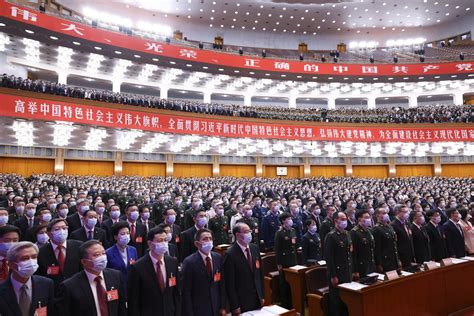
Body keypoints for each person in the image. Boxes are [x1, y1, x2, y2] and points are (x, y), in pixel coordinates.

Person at [55, 240, 127, 316]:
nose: (102, 257)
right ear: (84, 262)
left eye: (103, 253)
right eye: (96, 255)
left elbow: (121, 308)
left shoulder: (116, 276)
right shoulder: (69, 286)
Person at [127, 226, 180, 316]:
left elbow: (176, 293)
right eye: (160, 241)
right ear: (150, 244)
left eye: (165, 240)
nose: (164, 243)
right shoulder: (137, 267)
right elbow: (134, 301)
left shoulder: (173, 262)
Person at [0, 241, 55, 316]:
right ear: (11, 264)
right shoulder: (2, 289)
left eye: (34, 257)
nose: (31, 262)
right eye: (25, 258)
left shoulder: (46, 284)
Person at [181, 228, 226, 316]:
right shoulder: (189, 262)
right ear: (197, 244)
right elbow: (186, 291)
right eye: (205, 239)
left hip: (216, 307)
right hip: (198, 309)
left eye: (210, 238)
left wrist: (223, 306)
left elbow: (222, 285)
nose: (209, 241)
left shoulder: (218, 257)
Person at [223, 222, 264, 315]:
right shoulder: (230, 254)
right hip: (241, 300)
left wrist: (262, 296)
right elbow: (229, 283)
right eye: (246, 231)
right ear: (237, 235)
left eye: (249, 230)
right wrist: (235, 306)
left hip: (256, 297)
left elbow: (260, 274)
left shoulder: (254, 248)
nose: (249, 233)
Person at [37, 219, 82, 289]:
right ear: (49, 234)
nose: (61, 231)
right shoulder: (40, 252)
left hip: (76, 289)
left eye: (64, 228)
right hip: (54, 292)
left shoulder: (78, 246)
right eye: (57, 229)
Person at [324, 211, 352, 316]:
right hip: (337, 272)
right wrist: (333, 275)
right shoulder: (331, 236)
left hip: (347, 270)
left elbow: (349, 253)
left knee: (346, 299)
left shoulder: (347, 234)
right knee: (336, 300)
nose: (345, 221)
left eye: (345, 219)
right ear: (336, 221)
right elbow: (329, 258)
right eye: (343, 219)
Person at [274, 213, 297, 309]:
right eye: (288, 218)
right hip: (284, 261)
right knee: (284, 283)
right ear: (283, 221)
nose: (290, 220)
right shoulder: (279, 233)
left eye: (291, 218)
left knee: (292, 282)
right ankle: (285, 305)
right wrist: (279, 263)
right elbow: (277, 249)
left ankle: (292, 303)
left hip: (292, 259)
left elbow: (294, 245)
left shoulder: (292, 230)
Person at [372, 207, 400, 273]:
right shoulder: (376, 229)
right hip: (385, 261)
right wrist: (378, 264)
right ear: (377, 215)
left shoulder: (389, 226)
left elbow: (394, 244)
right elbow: (377, 249)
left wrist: (398, 259)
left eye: (387, 213)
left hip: (393, 259)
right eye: (384, 213)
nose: (386, 215)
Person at [350, 210, 375, 279]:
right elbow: (353, 253)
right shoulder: (354, 232)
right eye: (366, 217)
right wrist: (355, 270)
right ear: (359, 219)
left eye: (369, 217)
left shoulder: (369, 231)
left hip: (370, 264)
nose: (369, 219)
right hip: (361, 266)